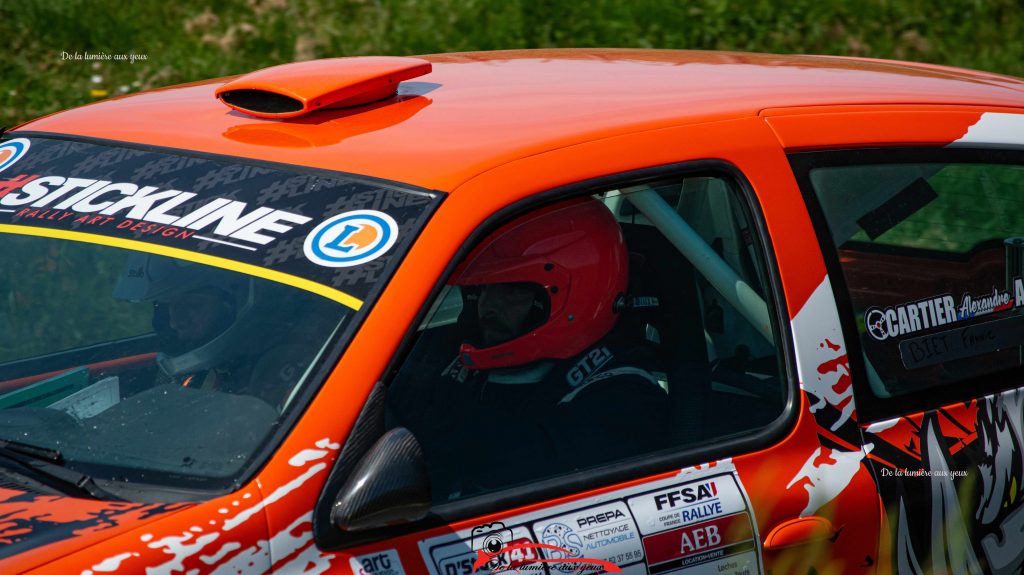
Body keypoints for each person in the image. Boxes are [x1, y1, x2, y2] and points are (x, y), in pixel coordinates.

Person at [388, 198, 670, 501]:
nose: (489, 305)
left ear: (577, 294)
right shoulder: (444, 350)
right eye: (483, 288)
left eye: (512, 290)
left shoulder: (622, 399)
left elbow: (509, 467)